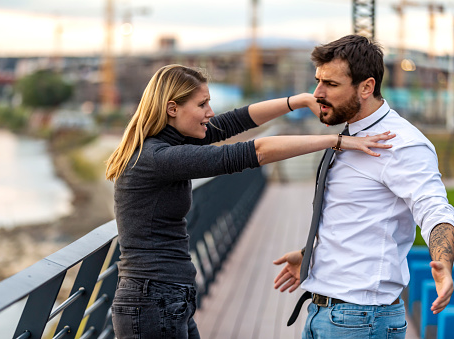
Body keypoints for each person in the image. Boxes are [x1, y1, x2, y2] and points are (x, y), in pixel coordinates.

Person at [105, 64, 394, 339]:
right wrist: (335, 141)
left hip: (167, 297)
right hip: (151, 300)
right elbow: (254, 151)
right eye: (202, 104)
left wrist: (301, 100)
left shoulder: (170, 144)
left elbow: (237, 120)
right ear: (172, 108)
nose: (210, 112)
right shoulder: (157, 157)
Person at [273, 34, 454, 339]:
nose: (317, 93)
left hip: (361, 320)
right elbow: (354, 219)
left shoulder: (402, 144)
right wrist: (312, 255)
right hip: (324, 312)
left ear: (366, 87)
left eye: (330, 84)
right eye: (318, 80)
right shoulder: (347, 136)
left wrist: (444, 262)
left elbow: (435, 209)